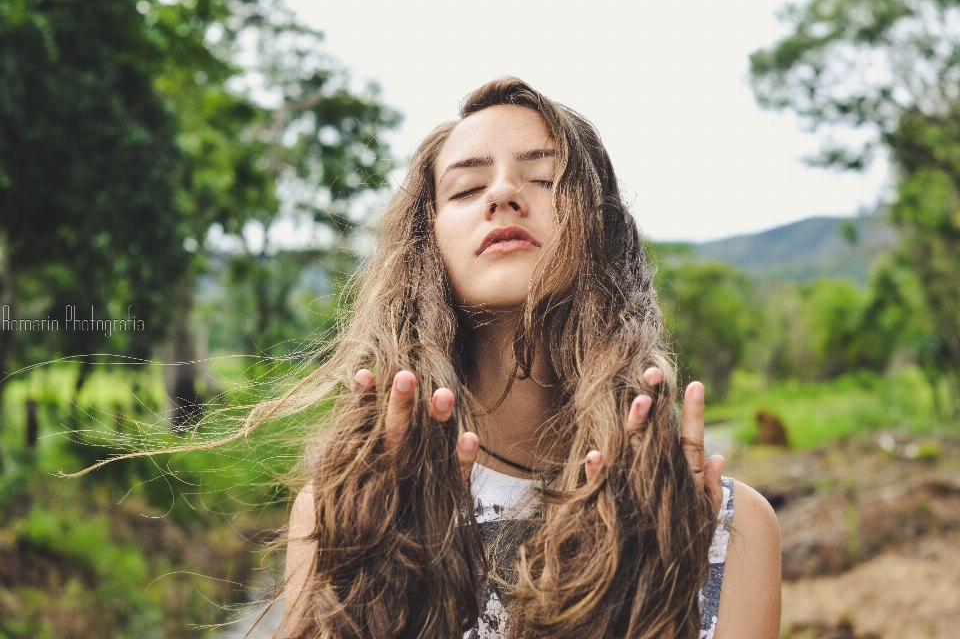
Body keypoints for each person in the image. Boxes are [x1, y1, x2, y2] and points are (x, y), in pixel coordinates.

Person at [280, 77, 781, 639]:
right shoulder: (349, 511)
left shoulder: (722, 524)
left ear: (600, 228)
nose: (502, 195)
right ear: (428, 244)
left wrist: (653, 603)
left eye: (544, 178)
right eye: (467, 189)